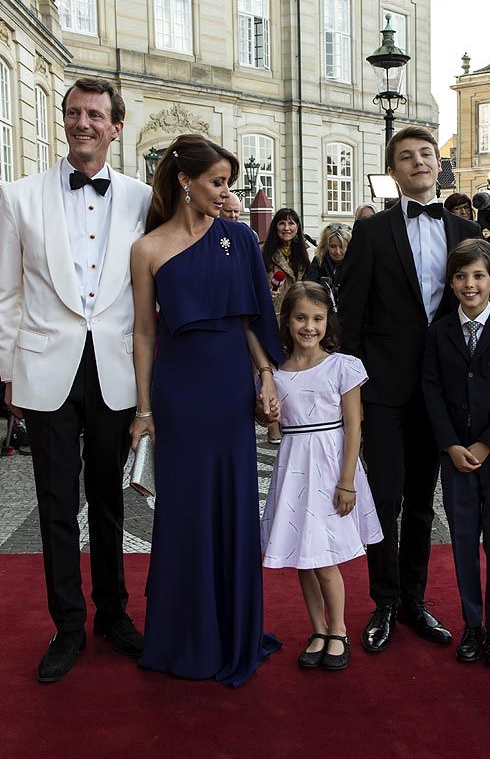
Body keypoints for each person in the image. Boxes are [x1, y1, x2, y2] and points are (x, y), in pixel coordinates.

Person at [0, 77, 151, 682]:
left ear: (116, 126)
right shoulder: (18, 196)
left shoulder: (143, 198)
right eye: (73, 113)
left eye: (95, 114)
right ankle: (66, 624)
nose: (82, 122)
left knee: (110, 501)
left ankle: (112, 613)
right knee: (56, 504)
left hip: (115, 366)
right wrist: (6, 370)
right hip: (45, 367)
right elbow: (8, 291)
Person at [340, 125, 490, 654]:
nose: (418, 162)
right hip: (385, 387)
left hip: (445, 386)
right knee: (385, 496)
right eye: (406, 157)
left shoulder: (465, 230)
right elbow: (351, 318)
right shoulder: (370, 233)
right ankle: (384, 601)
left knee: (421, 502)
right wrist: (354, 387)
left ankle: (414, 598)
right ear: (393, 172)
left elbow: (485, 293)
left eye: (426, 154)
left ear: (439, 164)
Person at [130, 133, 283, 687]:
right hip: (178, 389)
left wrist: (266, 377)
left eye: (229, 184)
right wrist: (144, 409)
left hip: (227, 387)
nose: (226, 193)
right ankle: (183, 637)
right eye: (217, 182)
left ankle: (232, 631)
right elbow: (144, 333)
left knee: (234, 504)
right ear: (184, 181)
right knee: (186, 512)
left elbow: (251, 317)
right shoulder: (147, 249)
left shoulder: (238, 240)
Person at [260, 282, 382, 670]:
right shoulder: (276, 372)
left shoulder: (342, 366)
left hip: (331, 470)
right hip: (294, 470)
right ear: (287, 321)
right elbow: (270, 426)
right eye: (300, 318)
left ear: (328, 321)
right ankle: (317, 628)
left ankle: (340, 629)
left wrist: (347, 482)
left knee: (324, 557)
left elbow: (354, 428)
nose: (309, 327)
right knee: (303, 557)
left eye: (317, 318)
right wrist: (267, 416)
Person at [423, 239, 490, 669]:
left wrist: (487, 444)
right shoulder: (439, 331)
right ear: (451, 283)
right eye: (462, 276)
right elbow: (430, 389)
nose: (470, 284)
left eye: (479, 276)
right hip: (456, 457)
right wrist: (450, 444)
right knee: (464, 540)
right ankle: (471, 624)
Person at [261, 208, 310, 443]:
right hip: (274, 318)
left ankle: (294, 420)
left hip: (299, 319)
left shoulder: (304, 254)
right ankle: (273, 425)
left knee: (296, 371)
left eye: (292, 223)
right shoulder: (265, 253)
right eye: (282, 223)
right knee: (274, 374)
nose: (287, 228)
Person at [305, 223, 352, 306]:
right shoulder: (319, 260)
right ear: (326, 246)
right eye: (333, 246)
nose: (337, 251)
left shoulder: (354, 263)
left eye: (342, 246)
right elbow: (310, 287)